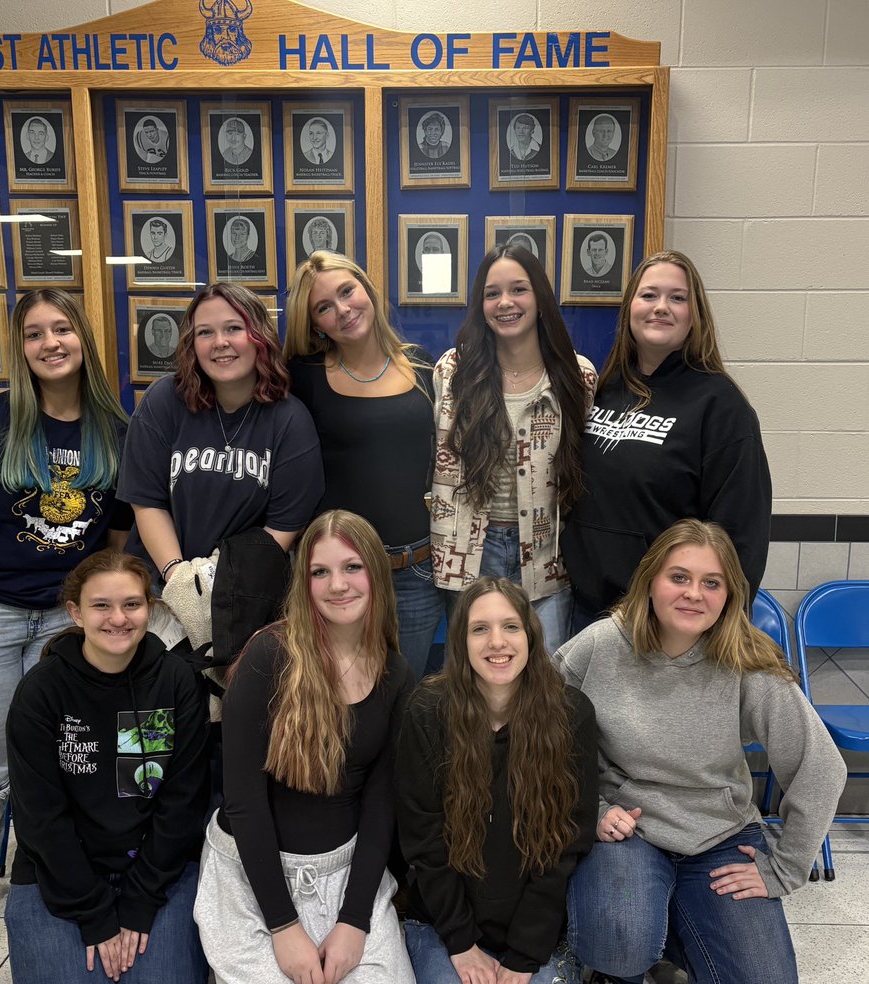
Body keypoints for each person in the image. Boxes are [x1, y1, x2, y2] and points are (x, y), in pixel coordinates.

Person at [557, 519, 846, 984]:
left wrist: (783, 868)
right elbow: (538, 728)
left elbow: (821, 768)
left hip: (718, 837)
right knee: (613, 942)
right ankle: (644, 932)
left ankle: (673, 922)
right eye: (680, 577)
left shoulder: (747, 662)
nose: (694, 593)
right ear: (651, 581)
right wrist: (590, 807)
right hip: (627, 829)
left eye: (712, 583)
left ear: (729, 595)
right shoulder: (603, 643)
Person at [0, 289, 130, 933]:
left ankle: (47, 865)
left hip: (69, 618)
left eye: (62, 329)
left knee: (65, 749)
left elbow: (115, 538)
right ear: (21, 350)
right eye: (34, 334)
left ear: (83, 340)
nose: (50, 343)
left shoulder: (115, 432)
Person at [194, 510, 419, 984]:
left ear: (376, 574)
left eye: (352, 567)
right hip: (258, 870)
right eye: (320, 571)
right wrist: (284, 927)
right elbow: (242, 803)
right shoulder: (269, 657)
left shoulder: (395, 672)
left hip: (344, 871)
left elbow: (380, 806)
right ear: (303, 581)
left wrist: (353, 922)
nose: (338, 584)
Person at [4, 550, 210, 984]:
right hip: (62, 871)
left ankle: (127, 976)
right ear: (75, 613)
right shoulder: (41, 691)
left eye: (131, 604)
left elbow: (182, 803)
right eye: (101, 606)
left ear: (150, 608)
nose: (118, 618)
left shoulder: (177, 681)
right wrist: (95, 916)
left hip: (153, 868)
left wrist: (139, 903)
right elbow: (39, 819)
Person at [396, 577, 597, 984]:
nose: (497, 643)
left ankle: (557, 971)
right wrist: (461, 945)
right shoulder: (426, 712)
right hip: (446, 922)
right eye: (480, 629)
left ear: (531, 636)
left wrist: (525, 955)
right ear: (460, 643)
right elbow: (422, 843)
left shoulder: (570, 715)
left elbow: (567, 846)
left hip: (534, 924)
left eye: (510, 627)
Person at [561, 251, 772, 629]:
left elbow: (742, 533)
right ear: (629, 309)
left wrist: (716, 622)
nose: (661, 307)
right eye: (649, 295)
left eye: (677, 297)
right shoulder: (606, 389)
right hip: (588, 611)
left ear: (695, 315)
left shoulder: (721, 406)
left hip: (668, 618)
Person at [118, 281, 322, 647]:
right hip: (158, 590)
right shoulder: (164, 400)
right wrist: (178, 575)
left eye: (233, 328)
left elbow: (283, 525)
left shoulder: (289, 419)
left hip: (245, 594)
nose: (220, 342)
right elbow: (146, 502)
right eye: (205, 332)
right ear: (191, 344)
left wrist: (216, 581)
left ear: (258, 336)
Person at [431, 244, 597, 654]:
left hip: (545, 552)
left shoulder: (578, 377)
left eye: (519, 289)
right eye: (492, 293)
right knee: (473, 676)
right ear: (480, 304)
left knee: (547, 675)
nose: (505, 302)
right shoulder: (453, 370)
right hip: (469, 551)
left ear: (539, 299)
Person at [284, 251, 442, 680]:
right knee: (340, 699)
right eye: (324, 307)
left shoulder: (426, 366)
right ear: (315, 323)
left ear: (367, 288)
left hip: (416, 572)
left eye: (347, 291)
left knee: (404, 702)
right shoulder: (303, 376)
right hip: (339, 578)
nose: (342, 310)